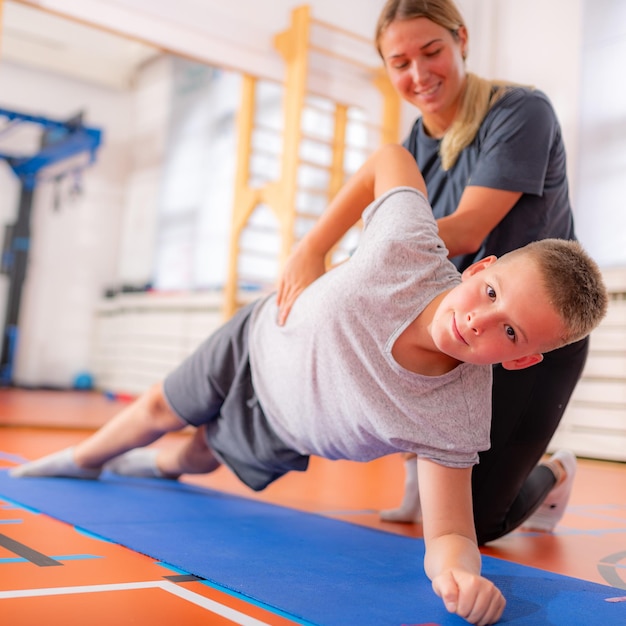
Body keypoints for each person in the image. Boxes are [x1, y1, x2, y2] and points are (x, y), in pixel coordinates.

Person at [11, 145, 607, 625]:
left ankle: (160, 466)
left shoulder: (457, 413)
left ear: (522, 362)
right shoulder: (408, 245)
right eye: (492, 293)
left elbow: (450, 530)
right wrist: (311, 246)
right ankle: (83, 458)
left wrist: (460, 574)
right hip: (259, 338)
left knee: (194, 454)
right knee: (161, 406)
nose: (478, 320)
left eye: (508, 332)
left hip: (283, 424)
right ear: (478, 268)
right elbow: (385, 160)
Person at [277, 0, 591, 544]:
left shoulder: (521, 112)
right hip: (464, 331)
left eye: (431, 52)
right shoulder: (410, 150)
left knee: (481, 524)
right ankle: (418, 481)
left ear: (461, 41)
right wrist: (315, 254)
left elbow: (467, 230)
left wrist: (357, 271)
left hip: (524, 335)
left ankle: (557, 472)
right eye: (399, 62)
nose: (419, 74)